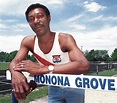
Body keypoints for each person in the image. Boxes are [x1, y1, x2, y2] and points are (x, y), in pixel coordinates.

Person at [9, 3, 90, 103]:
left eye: (40, 16)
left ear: (48, 18)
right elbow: (15, 61)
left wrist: (42, 69)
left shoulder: (64, 39)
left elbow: (84, 65)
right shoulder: (28, 41)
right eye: (31, 19)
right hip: (54, 87)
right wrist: (15, 73)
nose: (36, 21)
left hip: (74, 86)